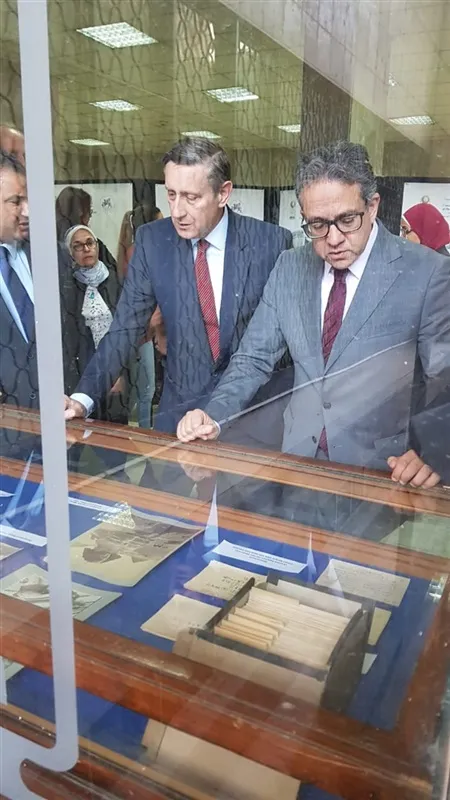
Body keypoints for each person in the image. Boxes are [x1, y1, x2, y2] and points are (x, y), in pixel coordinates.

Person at [177, 141, 450, 490]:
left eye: (347, 220)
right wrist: (214, 415)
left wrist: (433, 451)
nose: (333, 239)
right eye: (317, 224)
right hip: (296, 464)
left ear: (372, 206)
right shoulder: (290, 267)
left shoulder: (425, 273)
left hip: (381, 473)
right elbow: (253, 358)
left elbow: (444, 379)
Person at [65, 137, 293, 448]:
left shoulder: (270, 244)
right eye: (171, 194)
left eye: (191, 197)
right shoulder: (153, 241)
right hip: (179, 417)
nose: (177, 211)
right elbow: (125, 328)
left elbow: (278, 347)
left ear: (223, 193)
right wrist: (83, 398)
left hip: (250, 419)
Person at [62, 224, 129, 423]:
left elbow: (126, 328)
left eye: (90, 243)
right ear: (70, 252)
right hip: (83, 367)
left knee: (115, 424)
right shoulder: (69, 286)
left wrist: (118, 371)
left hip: (116, 362)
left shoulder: (114, 279)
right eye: (78, 246)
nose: (86, 249)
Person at [117, 204, 166, 428]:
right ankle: (145, 436)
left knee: (143, 389)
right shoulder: (138, 253)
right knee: (145, 390)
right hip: (142, 331)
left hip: (145, 331)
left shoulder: (138, 251)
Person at [55, 185, 116, 268]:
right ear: (80, 213)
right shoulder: (93, 246)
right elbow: (114, 271)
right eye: (89, 210)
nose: (90, 216)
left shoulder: (49, 245)